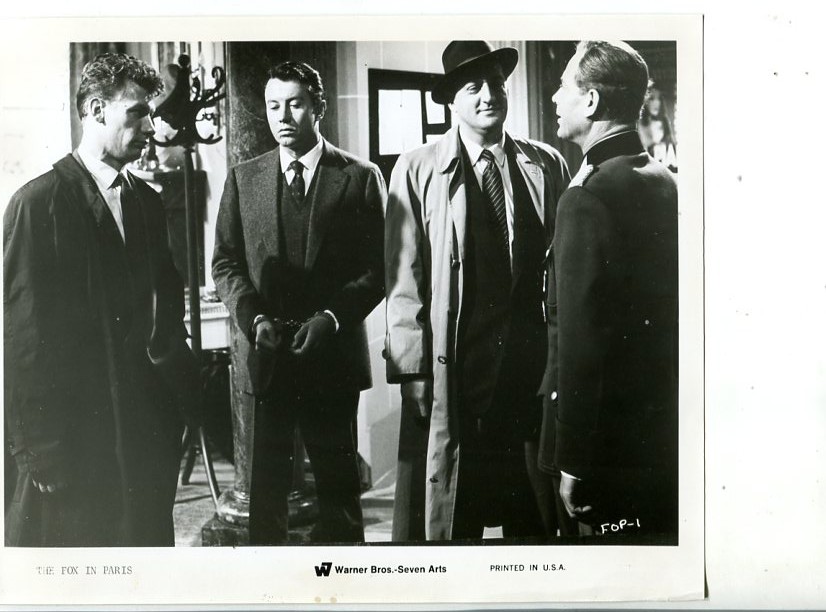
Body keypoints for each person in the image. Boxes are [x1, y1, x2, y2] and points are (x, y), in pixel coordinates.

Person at [3, 52, 192, 546]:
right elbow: (22, 338)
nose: (150, 126)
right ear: (95, 110)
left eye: (151, 113)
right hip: (74, 446)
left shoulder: (148, 202)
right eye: (137, 112)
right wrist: (40, 449)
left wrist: (173, 400)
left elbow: (167, 311)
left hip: (145, 437)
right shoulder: (37, 205)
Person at [385, 40, 571, 541]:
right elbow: (403, 276)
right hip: (458, 372)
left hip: (528, 373)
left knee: (533, 516)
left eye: (496, 84)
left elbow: (560, 266)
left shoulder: (545, 163)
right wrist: (412, 369)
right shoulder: (417, 168)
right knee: (455, 513)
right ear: (452, 100)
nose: (489, 95)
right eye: (474, 87)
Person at [212, 60, 385, 544]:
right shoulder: (243, 178)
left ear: (318, 107)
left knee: (338, 495)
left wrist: (332, 318)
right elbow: (225, 263)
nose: (283, 116)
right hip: (268, 356)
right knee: (265, 500)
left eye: (295, 104)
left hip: (332, 357)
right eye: (273, 106)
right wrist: (253, 318)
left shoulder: (359, 176)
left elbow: (379, 268)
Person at [538, 41, 679, 537]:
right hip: (658, 431)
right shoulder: (664, 180)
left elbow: (583, 344)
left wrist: (574, 461)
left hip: (603, 446)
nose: (555, 98)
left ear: (592, 101)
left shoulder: (587, 197)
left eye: (564, 87)